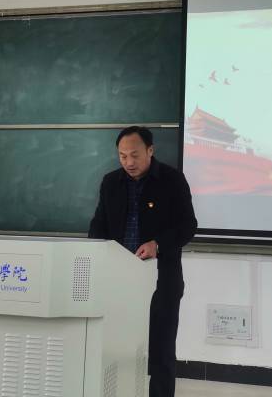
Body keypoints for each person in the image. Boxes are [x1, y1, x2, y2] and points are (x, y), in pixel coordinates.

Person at [89, 126, 197, 397]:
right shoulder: (110, 182)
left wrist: (157, 245)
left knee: (161, 350)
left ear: (150, 150)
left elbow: (188, 226)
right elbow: (98, 227)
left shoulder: (172, 180)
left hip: (161, 279)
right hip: (118, 280)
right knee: (115, 348)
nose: (129, 162)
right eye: (122, 156)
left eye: (135, 155)